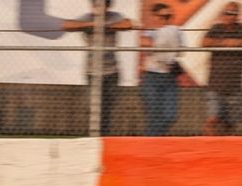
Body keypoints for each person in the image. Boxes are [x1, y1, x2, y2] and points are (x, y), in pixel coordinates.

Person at [62, 0, 132, 136]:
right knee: (93, 107)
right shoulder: (87, 17)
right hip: (92, 72)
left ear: (108, 6)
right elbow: (66, 25)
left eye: (101, 5)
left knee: (108, 107)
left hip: (111, 71)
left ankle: (103, 136)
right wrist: (91, 25)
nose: (97, 8)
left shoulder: (115, 16)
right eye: (95, 5)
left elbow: (128, 24)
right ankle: (92, 136)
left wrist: (103, 26)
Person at [201, 2, 242, 135]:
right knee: (212, 119)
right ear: (222, 14)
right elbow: (204, 42)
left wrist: (237, 43)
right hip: (215, 84)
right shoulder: (216, 29)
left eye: (233, 14)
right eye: (227, 13)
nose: (229, 16)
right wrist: (223, 43)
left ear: (238, 15)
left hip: (234, 85)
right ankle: (206, 147)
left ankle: (225, 149)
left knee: (230, 123)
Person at [139, 2, 183, 136]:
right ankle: (152, 143)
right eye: (163, 16)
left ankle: (152, 140)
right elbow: (145, 43)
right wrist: (161, 38)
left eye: (169, 16)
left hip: (169, 77)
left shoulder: (176, 31)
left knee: (170, 114)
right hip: (152, 77)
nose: (167, 20)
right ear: (155, 17)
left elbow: (181, 49)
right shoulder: (150, 32)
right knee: (154, 114)